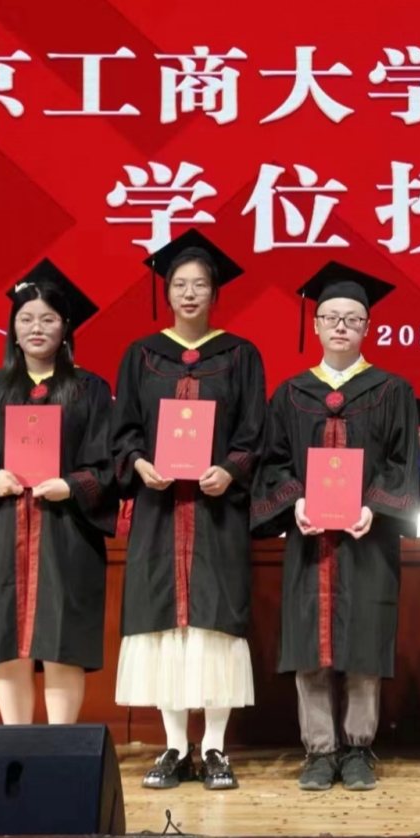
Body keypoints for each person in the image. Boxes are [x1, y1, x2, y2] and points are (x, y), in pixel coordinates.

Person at [251, 262, 420, 792]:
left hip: (368, 539)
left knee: (363, 642)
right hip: (310, 540)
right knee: (311, 645)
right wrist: (296, 501)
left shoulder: (392, 390)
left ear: (368, 327)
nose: (341, 326)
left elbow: (403, 462)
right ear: (317, 325)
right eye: (331, 318)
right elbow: (273, 463)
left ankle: (358, 749)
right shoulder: (291, 394)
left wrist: (375, 506)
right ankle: (320, 750)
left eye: (352, 319)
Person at [112, 230, 267, 791]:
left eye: (200, 284)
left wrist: (230, 469)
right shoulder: (142, 355)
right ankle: (175, 746)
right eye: (180, 284)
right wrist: (137, 463)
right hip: (158, 511)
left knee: (213, 625)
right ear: (167, 292)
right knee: (164, 626)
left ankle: (215, 746)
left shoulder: (240, 355)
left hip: (216, 513)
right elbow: (124, 430)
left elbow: (254, 432)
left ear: (215, 293)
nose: (190, 293)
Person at [0, 261, 116, 724]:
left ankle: (61, 743)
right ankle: (17, 742)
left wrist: (72, 485)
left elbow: (108, 463)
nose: (36, 328)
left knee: (62, 641)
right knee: (8, 642)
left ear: (65, 328)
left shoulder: (89, 390)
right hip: (2, 528)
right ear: (13, 328)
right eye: (25, 319)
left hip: (67, 530)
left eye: (48, 319)